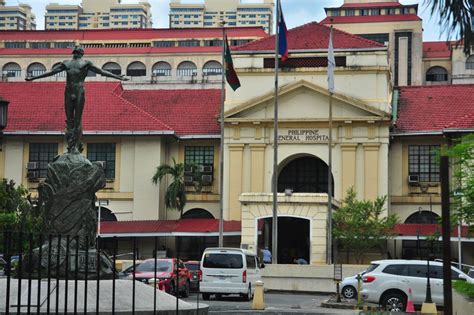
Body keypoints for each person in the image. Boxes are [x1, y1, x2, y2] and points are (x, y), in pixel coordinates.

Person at [25, 45, 129, 153]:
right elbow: (51, 72)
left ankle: (77, 145)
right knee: (70, 120)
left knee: (78, 120)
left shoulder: (85, 63)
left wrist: (118, 77)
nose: (76, 54)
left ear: (80, 54)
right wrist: (34, 78)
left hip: (79, 91)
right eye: (75, 52)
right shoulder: (66, 63)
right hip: (69, 92)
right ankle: (71, 145)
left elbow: (101, 72)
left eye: (77, 52)